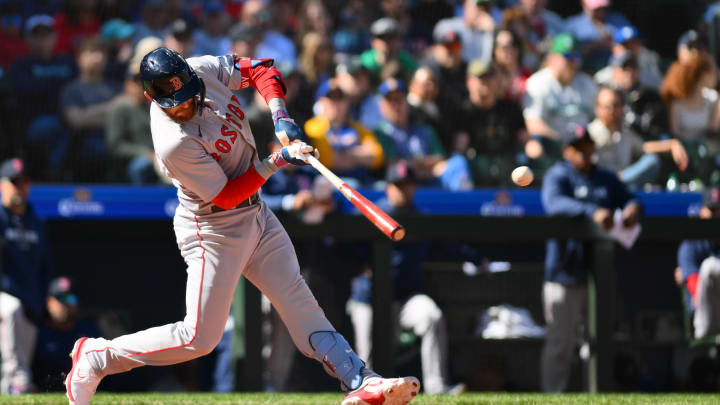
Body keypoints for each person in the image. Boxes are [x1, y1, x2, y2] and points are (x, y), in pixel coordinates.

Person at [64, 47, 420, 405]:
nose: (185, 106)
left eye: (188, 96)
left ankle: (359, 379)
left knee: (300, 302)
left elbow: (262, 70)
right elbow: (227, 196)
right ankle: (99, 357)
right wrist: (277, 160)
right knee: (199, 338)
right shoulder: (173, 142)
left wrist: (280, 114)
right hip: (213, 229)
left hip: (257, 216)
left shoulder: (201, 69)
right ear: (152, 99)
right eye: (176, 103)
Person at [346, 162, 474, 395]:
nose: (404, 190)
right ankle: (368, 392)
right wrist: (359, 266)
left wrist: (477, 259)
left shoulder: (420, 218)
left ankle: (437, 387)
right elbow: (340, 246)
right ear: (388, 188)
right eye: (398, 185)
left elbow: (447, 245)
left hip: (404, 299)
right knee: (367, 350)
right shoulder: (371, 213)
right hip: (369, 299)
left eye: (408, 186)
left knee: (431, 316)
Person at [540, 126, 641, 392]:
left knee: (599, 342)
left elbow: (630, 198)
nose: (584, 152)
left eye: (587, 146)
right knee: (560, 344)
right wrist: (591, 211)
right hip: (565, 273)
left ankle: (595, 395)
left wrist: (632, 206)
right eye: (577, 147)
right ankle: (552, 396)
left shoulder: (605, 178)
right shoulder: (558, 175)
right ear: (567, 151)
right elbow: (554, 205)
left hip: (598, 276)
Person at [0, 158, 52, 394]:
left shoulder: (36, 221)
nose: (19, 187)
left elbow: (44, 265)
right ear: (2, 185)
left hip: (28, 298)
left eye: (24, 182)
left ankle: (12, 388)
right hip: (5, 296)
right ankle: (20, 379)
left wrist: (42, 298)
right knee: (11, 309)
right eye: (14, 182)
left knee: (18, 364)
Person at [7, 14, 77, 180]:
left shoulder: (67, 61)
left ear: (55, 37)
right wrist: (58, 87)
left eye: (46, 34)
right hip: (34, 122)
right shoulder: (20, 65)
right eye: (36, 35)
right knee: (57, 127)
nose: (42, 40)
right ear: (27, 40)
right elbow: (25, 90)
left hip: (71, 115)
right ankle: (54, 172)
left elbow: (76, 88)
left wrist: (47, 87)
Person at [588, 87, 688, 189]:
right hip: (598, 185)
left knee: (651, 161)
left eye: (615, 105)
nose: (611, 110)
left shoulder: (625, 132)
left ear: (622, 107)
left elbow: (644, 147)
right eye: (606, 106)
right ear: (597, 108)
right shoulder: (589, 133)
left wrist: (672, 144)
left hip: (623, 183)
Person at [455, 59, 527, 187]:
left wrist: (535, 151)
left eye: (490, 77)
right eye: (481, 78)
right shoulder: (462, 111)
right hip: (476, 169)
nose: (486, 82)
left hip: (508, 167)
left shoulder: (511, 109)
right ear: (469, 82)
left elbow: (526, 140)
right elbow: (460, 147)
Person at [59, 37, 122, 182]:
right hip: (82, 147)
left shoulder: (115, 88)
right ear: (79, 58)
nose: (98, 57)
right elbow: (75, 120)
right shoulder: (71, 89)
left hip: (116, 143)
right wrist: (111, 108)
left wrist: (89, 114)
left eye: (102, 53)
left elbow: (124, 119)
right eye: (92, 52)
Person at [304, 80, 384, 186]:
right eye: (331, 98)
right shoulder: (313, 126)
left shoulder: (356, 127)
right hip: (329, 182)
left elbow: (377, 156)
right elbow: (325, 159)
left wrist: (342, 153)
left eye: (340, 98)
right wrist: (359, 154)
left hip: (362, 179)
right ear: (321, 102)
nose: (336, 103)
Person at [374, 78, 449, 187]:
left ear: (406, 101)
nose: (395, 105)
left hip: (431, 184)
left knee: (457, 163)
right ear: (382, 106)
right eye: (390, 100)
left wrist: (411, 164)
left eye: (399, 99)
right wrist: (425, 166)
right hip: (398, 187)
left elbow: (440, 160)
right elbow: (392, 165)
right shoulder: (379, 133)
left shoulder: (425, 130)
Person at [32, 277, 101, 392]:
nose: (65, 304)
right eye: (60, 298)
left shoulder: (89, 333)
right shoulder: (35, 333)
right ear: (48, 302)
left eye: (70, 298)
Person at [594, 52, 669, 141]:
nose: (629, 72)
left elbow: (656, 133)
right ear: (614, 72)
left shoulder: (651, 97)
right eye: (624, 68)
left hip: (644, 147)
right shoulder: (605, 96)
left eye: (633, 67)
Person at [677, 187, 720, 339]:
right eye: (712, 210)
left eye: (719, 211)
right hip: (704, 318)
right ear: (702, 211)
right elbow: (696, 294)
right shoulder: (690, 244)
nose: (716, 215)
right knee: (710, 267)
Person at [105, 63, 155, 184]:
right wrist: (145, 153)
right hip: (132, 160)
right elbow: (115, 145)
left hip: (160, 156)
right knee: (140, 167)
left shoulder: (155, 106)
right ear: (127, 85)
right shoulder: (120, 108)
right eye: (136, 83)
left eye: (144, 82)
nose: (141, 87)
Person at [565, 0, 630, 72]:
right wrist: (595, 45)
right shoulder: (573, 26)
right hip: (585, 73)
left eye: (603, 8)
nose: (600, 11)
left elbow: (635, 45)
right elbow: (568, 57)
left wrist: (620, 47)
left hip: (618, 71)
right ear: (583, 4)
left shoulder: (617, 20)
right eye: (596, 9)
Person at [433, 0, 495, 64]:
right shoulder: (448, 26)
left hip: (477, 72)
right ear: (466, 6)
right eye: (478, 7)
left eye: (485, 9)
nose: (482, 12)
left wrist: (491, 33)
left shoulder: (488, 34)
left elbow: (486, 62)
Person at [360, 17, 419, 82]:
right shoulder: (365, 62)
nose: (387, 42)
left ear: (400, 41)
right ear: (373, 41)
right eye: (382, 38)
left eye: (392, 38)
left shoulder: (407, 60)